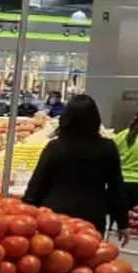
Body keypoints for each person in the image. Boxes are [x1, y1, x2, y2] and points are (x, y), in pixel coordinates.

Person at [23, 95, 129, 236]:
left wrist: (26, 214)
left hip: (55, 215)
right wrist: (123, 222)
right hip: (92, 215)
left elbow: (37, 184)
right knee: (89, 255)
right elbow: (116, 186)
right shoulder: (107, 148)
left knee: (56, 256)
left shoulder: (55, 147)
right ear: (96, 119)